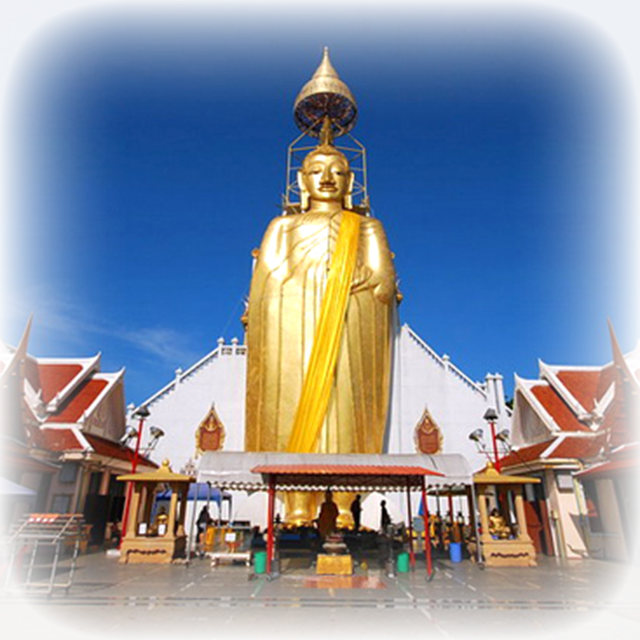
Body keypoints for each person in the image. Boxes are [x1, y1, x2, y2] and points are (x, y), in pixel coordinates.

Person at [244, 53, 399, 525]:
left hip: (350, 327)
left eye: (337, 169)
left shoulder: (367, 226)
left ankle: (348, 502)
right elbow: (268, 282)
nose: (328, 176)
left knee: (348, 408)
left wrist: (356, 287)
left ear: (350, 179)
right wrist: (309, 289)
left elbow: (382, 284)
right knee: (287, 402)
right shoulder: (281, 228)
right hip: (292, 328)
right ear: (302, 179)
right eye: (317, 170)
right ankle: (294, 503)